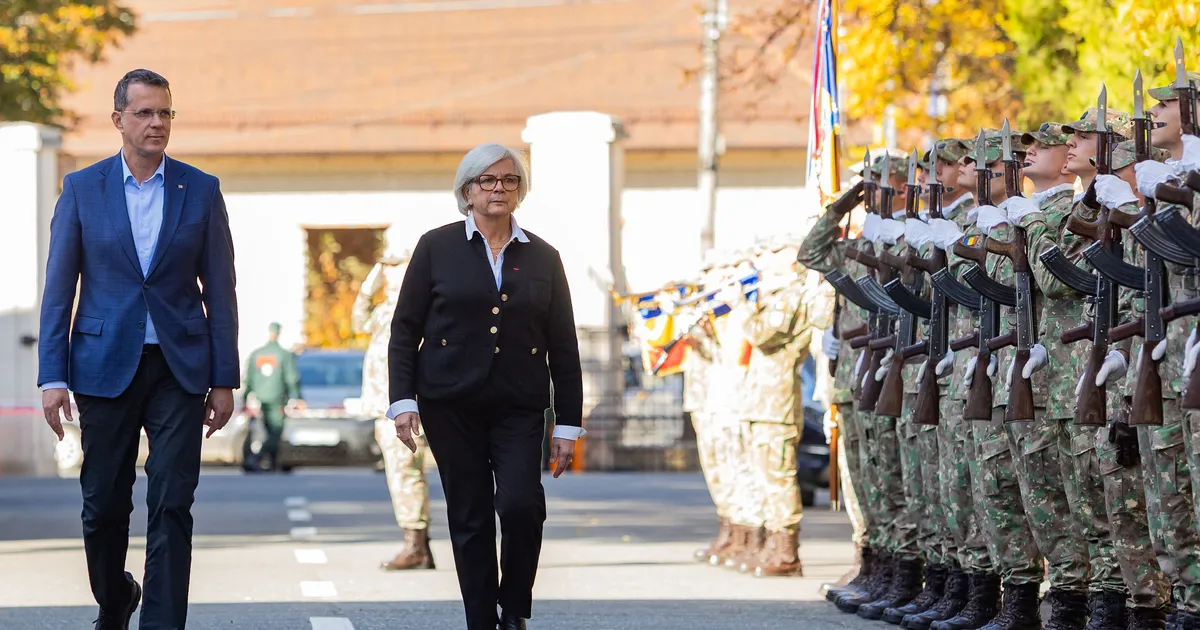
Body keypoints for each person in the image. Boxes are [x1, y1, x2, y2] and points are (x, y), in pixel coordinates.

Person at [37, 68, 239, 630]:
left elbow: (220, 290)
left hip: (181, 368)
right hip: (102, 366)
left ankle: (162, 622)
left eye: (166, 113)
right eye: (146, 112)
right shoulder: (83, 188)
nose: (157, 123)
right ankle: (115, 595)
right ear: (119, 119)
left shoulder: (200, 188)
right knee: (103, 504)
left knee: (172, 501)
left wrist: (224, 377)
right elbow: (59, 289)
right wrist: (53, 375)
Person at [387, 143, 584, 630]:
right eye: (487, 181)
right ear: (467, 190)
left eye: (509, 181)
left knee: (521, 506)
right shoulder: (436, 247)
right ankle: (481, 617)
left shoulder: (544, 256)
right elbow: (405, 329)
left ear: (520, 190)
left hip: (519, 405)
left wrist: (569, 426)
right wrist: (402, 401)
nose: (498, 189)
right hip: (450, 403)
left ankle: (513, 607)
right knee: (470, 514)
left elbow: (564, 344)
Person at [351, 243, 435, 571]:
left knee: (405, 473)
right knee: (401, 473)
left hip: (403, 405)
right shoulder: (386, 307)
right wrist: (370, 282)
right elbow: (359, 321)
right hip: (383, 404)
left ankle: (416, 546)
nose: (389, 271)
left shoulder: (418, 304)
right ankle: (419, 544)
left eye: (395, 265)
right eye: (386, 265)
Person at [241, 322, 301, 472]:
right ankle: (257, 456)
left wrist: (245, 397)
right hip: (276, 398)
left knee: (268, 430)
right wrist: (296, 396)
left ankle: (273, 461)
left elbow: (248, 379)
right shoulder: (283, 355)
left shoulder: (257, 354)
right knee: (276, 431)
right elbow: (291, 378)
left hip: (261, 398)